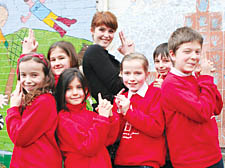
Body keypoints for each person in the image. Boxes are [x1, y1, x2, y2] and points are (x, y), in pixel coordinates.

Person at [161, 26, 224, 168]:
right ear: (172, 54)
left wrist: (207, 79)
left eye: (197, 52)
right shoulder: (171, 84)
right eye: (187, 51)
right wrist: (206, 78)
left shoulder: (195, 77)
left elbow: (217, 107)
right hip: (192, 161)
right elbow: (202, 112)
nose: (194, 57)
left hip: (213, 155)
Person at [6, 52, 62, 167]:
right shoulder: (32, 99)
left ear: (46, 77)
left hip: (37, 163)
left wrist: (13, 109)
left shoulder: (44, 101)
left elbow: (19, 137)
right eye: (23, 75)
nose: (27, 80)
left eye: (34, 75)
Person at [55, 68, 119, 168]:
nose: (75, 92)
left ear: (85, 90)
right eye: (69, 89)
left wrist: (109, 116)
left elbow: (108, 140)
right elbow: (88, 147)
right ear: (62, 92)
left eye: (79, 87)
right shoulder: (63, 119)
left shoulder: (92, 115)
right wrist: (102, 118)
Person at [113, 53, 166, 168]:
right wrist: (117, 112)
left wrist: (128, 112)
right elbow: (115, 135)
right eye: (127, 73)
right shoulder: (121, 97)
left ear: (147, 74)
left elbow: (157, 128)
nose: (132, 78)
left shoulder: (156, 94)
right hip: (122, 161)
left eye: (138, 73)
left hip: (147, 162)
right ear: (121, 74)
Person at [82, 11, 135, 104]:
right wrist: (128, 56)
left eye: (111, 31)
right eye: (102, 30)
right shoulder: (94, 51)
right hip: (109, 111)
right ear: (92, 30)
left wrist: (128, 55)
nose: (106, 35)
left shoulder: (104, 55)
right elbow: (118, 86)